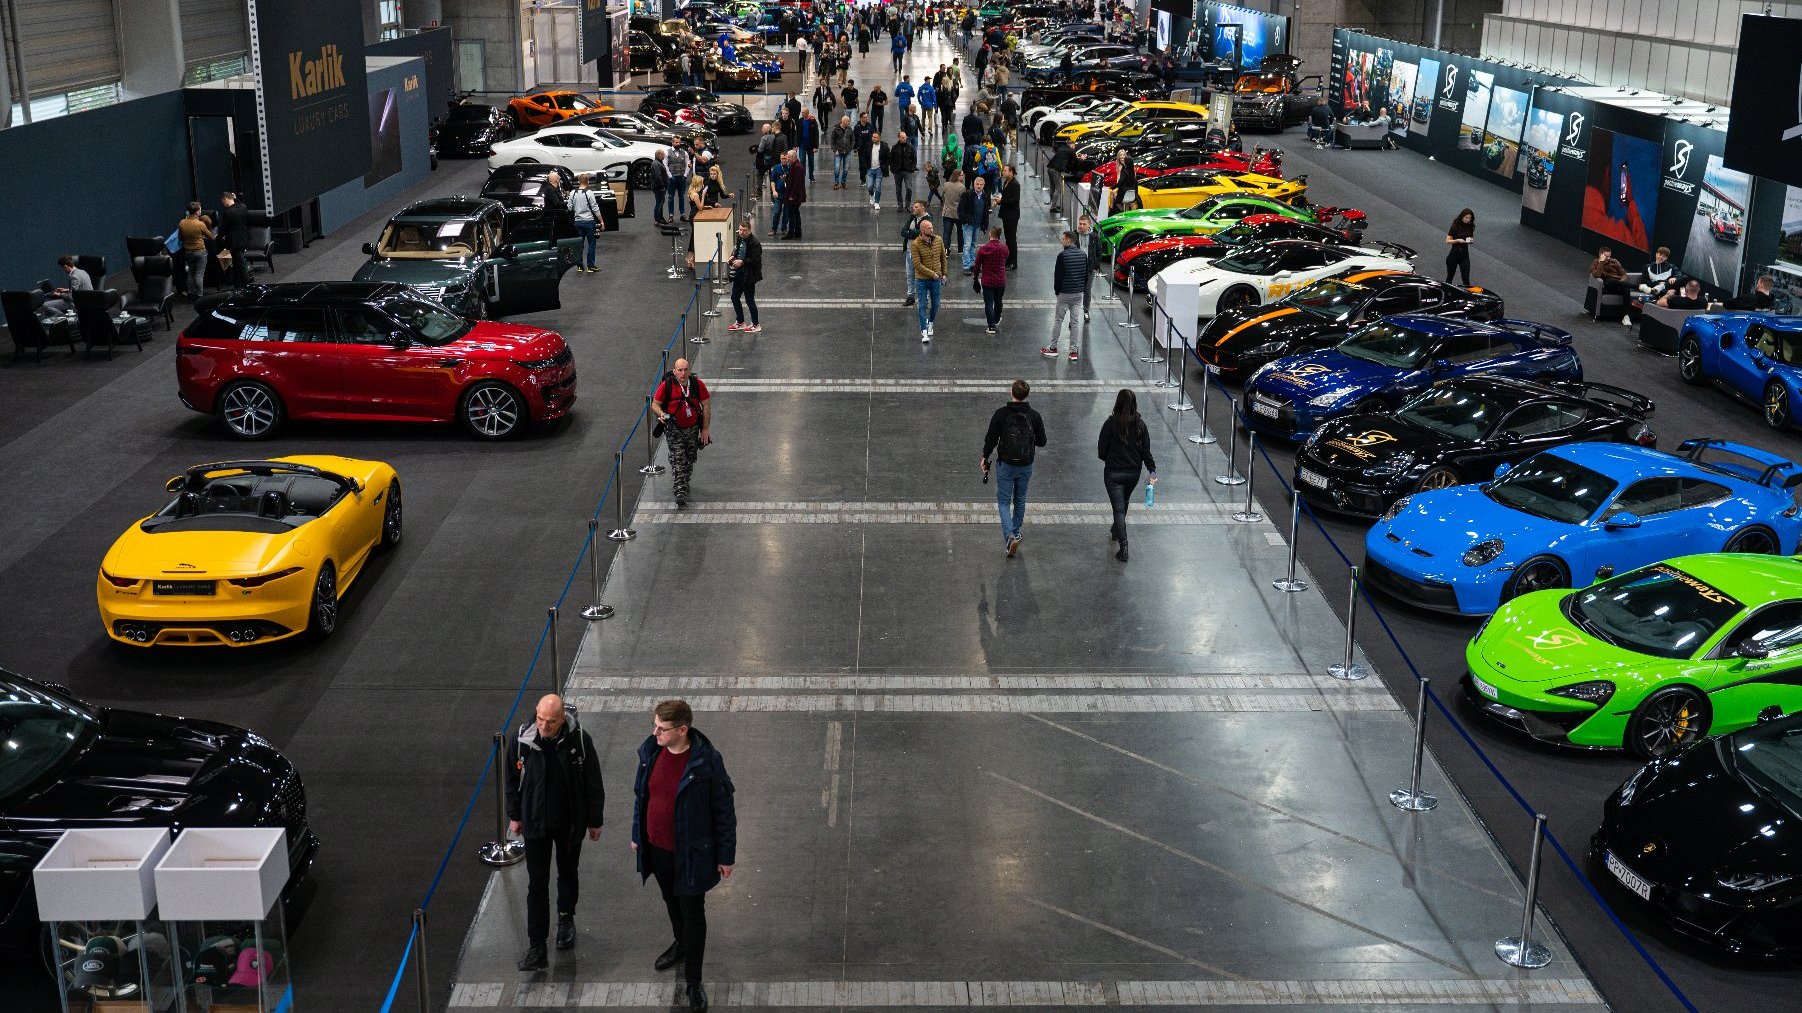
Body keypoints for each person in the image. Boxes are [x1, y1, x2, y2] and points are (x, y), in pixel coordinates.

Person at [632, 699, 737, 1013]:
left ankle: (694, 980)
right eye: (655, 726)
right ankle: (680, 944)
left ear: (682, 729)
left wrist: (726, 855)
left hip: (691, 855)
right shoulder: (651, 753)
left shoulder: (706, 762)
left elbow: (724, 812)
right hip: (657, 849)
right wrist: (638, 835)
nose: (655, 733)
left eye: (662, 729)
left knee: (693, 913)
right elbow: (641, 797)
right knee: (671, 901)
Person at [505, 693, 605, 971]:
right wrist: (515, 815)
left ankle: (565, 918)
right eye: (540, 719)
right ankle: (537, 945)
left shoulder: (579, 742)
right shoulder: (522, 740)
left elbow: (592, 783)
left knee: (567, 872)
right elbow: (511, 781)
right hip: (536, 823)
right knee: (536, 884)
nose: (544, 727)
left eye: (550, 721)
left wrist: (594, 821)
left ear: (563, 719)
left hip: (569, 823)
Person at [980, 379, 1048, 558]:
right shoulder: (1034, 415)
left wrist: (985, 457)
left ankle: (1009, 535)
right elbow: (1042, 441)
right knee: (1020, 498)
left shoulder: (1001, 414)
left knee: (1003, 501)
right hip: (1025, 465)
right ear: (1027, 395)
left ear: (1011, 393)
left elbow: (991, 439)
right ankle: (1016, 532)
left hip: (1006, 465)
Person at [1097, 389, 1157, 562]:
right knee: (1124, 502)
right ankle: (1116, 530)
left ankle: (1124, 546)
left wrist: (1110, 457)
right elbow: (1146, 451)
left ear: (1117, 403)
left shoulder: (1110, 424)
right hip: (1133, 473)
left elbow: (1101, 451)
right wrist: (1152, 470)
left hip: (1113, 473)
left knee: (1118, 508)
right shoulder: (1140, 425)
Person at [652, 358, 713, 507]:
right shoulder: (667, 386)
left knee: (690, 457)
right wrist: (661, 414)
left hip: (692, 428)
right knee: (679, 457)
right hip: (674, 428)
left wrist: (705, 429)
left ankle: (684, 479)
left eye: (685, 370)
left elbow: (706, 405)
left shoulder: (697, 385)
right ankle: (680, 491)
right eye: (680, 370)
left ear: (689, 371)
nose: (683, 373)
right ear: (674, 371)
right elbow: (655, 404)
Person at [1043, 231, 1087, 360]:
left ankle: (1053, 347)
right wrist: (1081, 289)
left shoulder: (1062, 256)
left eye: (1063, 239)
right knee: (1075, 322)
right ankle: (1073, 351)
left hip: (1065, 293)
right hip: (1078, 294)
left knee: (1058, 321)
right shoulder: (1083, 255)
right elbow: (1085, 276)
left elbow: (1058, 277)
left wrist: (1057, 292)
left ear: (1068, 241)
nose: (1061, 240)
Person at [912, 217, 949, 342]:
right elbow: (917, 264)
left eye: (932, 227)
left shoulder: (938, 240)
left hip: (936, 279)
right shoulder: (915, 244)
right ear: (922, 230)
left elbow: (943, 258)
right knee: (922, 305)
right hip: (922, 280)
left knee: (936, 304)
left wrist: (944, 273)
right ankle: (924, 332)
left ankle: (931, 322)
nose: (932, 229)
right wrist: (932, 274)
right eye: (929, 228)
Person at [973, 224, 1008, 333]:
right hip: (1000, 280)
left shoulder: (983, 249)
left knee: (988, 303)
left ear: (990, 234)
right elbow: (1006, 257)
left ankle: (991, 325)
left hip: (987, 281)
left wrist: (975, 277)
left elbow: (977, 265)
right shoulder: (1004, 248)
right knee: (998, 301)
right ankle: (996, 319)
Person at [176, 202, 215, 299]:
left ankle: (190, 293)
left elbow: (180, 238)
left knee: (190, 273)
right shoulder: (200, 224)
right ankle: (199, 295)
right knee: (199, 274)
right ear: (197, 212)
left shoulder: (182, 222)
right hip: (200, 252)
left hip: (188, 252)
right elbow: (210, 237)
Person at [570, 174, 605, 274]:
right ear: (588, 182)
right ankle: (590, 266)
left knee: (579, 244)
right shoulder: (589, 193)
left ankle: (580, 266)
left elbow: (569, 207)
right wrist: (601, 221)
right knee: (591, 244)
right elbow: (595, 208)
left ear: (578, 182)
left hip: (577, 222)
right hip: (589, 222)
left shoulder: (573, 193)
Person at [217, 191, 250, 289]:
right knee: (236, 263)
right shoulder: (243, 207)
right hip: (243, 238)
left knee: (240, 264)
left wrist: (218, 237)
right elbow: (241, 203)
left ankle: (246, 286)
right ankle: (238, 285)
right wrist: (235, 198)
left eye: (223, 201)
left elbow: (223, 228)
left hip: (233, 242)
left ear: (225, 199)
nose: (223, 204)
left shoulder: (228, 212)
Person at [959, 175, 991, 273]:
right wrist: (967, 220)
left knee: (973, 245)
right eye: (977, 184)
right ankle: (966, 266)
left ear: (983, 185)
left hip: (977, 224)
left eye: (981, 184)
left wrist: (985, 225)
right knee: (967, 245)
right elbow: (960, 210)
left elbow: (985, 211)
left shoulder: (984, 196)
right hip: (968, 224)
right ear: (974, 184)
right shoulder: (967, 194)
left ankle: (972, 264)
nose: (979, 186)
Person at [996, 164, 1021, 270]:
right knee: (1008, 238)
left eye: (1005, 171)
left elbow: (1014, 200)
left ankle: (1013, 262)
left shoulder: (1015, 184)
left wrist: (1001, 201)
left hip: (1012, 215)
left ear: (1011, 172)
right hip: (1006, 214)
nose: (1003, 172)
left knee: (1011, 239)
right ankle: (1009, 259)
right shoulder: (1006, 182)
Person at [1076, 213, 1099, 320]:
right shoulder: (1074, 235)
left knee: (1087, 290)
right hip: (1076, 268)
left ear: (1089, 225)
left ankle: (1086, 310)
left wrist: (1095, 265)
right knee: (1075, 292)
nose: (1081, 226)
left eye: (1083, 224)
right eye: (1080, 223)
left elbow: (1099, 252)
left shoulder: (1094, 237)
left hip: (1089, 268)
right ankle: (1074, 314)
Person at [939, 169, 966, 255]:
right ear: (957, 176)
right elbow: (963, 201)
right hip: (958, 213)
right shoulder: (962, 187)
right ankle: (960, 249)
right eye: (962, 175)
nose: (963, 176)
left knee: (947, 233)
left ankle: (946, 251)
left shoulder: (946, 185)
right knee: (960, 232)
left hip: (947, 212)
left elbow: (943, 196)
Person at [1445, 208, 1475, 287]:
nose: (1468, 220)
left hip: (1464, 256)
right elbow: (1447, 241)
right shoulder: (1455, 226)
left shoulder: (1470, 226)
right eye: (1466, 218)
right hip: (1454, 255)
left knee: (1466, 279)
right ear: (1462, 217)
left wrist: (1469, 240)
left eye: (1470, 218)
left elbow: (1471, 238)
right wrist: (1457, 240)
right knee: (1450, 277)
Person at [891, 129, 918, 212]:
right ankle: (900, 205)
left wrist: (912, 168)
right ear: (899, 138)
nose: (905, 139)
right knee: (898, 189)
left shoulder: (910, 147)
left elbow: (914, 159)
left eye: (905, 137)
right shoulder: (894, 147)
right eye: (903, 137)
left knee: (909, 188)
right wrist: (893, 169)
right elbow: (891, 159)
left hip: (907, 171)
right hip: (897, 172)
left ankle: (907, 205)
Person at [781, 152, 807, 239]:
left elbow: (797, 183)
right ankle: (798, 232)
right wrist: (786, 178)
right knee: (796, 213)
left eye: (788, 157)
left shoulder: (798, 167)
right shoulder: (795, 166)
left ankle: (791, 232)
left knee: (792, 214)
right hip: (795, 195)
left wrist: (792, 195)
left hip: (794, 196)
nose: (787, 159)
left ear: (794, 157)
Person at [665, 143, 692, 224]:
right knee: (670, 197)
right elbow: (665, 165)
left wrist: (685, 175)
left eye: (679, 142)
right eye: (676, 142)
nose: (678, 144)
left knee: (682, 196)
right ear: (672, 143)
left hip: (681, 178)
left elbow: (688, 164)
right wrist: (670, 176)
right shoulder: (667, 152)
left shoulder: (685, 153)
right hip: (672, 178)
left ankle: (682, 215)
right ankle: (671, 215)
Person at [867, 132, 891, 211]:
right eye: (873, 137)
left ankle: (877, 202)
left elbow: (888, 158)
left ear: (879, 138)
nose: (873, 138)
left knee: (878, 187)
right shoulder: (869, 145)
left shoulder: (884, 146)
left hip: (879, 170)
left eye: (875, 137)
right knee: (869, 186)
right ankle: (871, 195)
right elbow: (864, 156)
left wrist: (883, 166)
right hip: (870, 169)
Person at [830, 114, 854, 190]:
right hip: (838, 152)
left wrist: (850, 149)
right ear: (843, 121)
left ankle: (843, 182)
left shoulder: (850, 129)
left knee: (846, 169)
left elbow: (853, 140)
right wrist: (834, 150)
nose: (849, 122)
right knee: (837, 168)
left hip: (847, 152)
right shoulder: (836, 129)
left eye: (849, 121)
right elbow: (832, 141)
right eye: (848, 121)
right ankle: (836, 183)